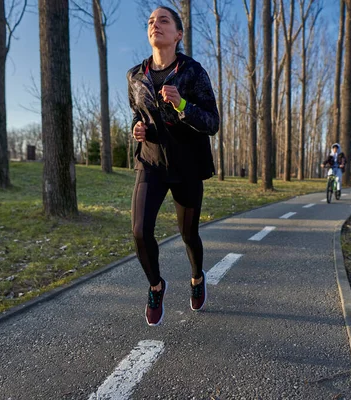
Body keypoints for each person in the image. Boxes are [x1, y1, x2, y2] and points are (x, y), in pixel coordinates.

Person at [126, 6, 220, 326]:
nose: (156, 25)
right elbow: (138, 116)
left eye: (164, 20)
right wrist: (136, 129)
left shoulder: (193, 71)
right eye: (151, 21)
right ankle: (156, 285)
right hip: (150, 160)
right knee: (140, 231)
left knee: (188, 234)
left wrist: (182, 104)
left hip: (187, 165)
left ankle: (196, 278)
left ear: (178, 34)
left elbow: (212, 123)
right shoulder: (135, 76)